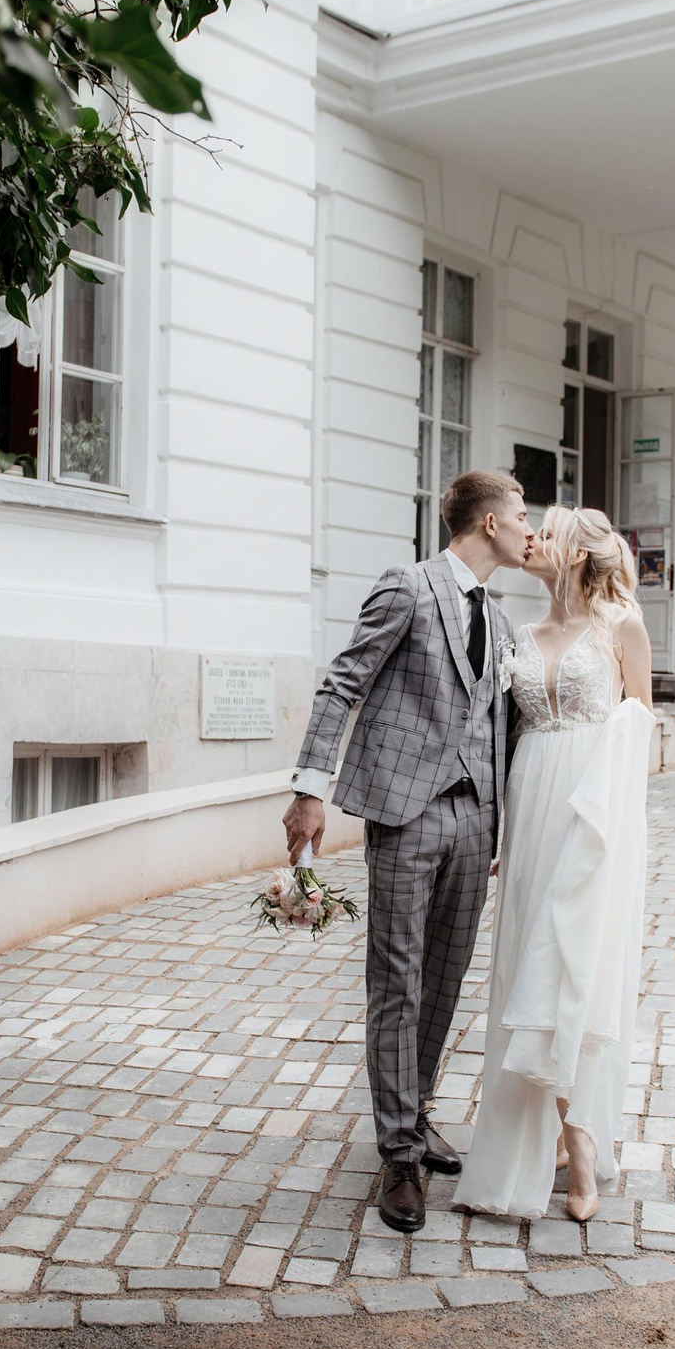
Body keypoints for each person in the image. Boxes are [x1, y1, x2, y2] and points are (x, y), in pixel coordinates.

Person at [283, 471, 533, 1234]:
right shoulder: (409, 587)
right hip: (406, 811)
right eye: (522, 516)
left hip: (475, 820)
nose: (530, 530)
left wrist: (504, 824)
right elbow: (342, 684)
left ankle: (414, 1110)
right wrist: (309, 788)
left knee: (445, 977)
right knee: (397, 979)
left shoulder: (501, 618)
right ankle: (397, 1152)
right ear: (488, 522)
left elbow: (501, 725)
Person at [451, 504, 654, 1223]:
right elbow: (500, 736)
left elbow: (641, 729)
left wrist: (614, 831)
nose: (531, 537)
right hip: (531, 806)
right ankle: (539, 1140)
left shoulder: (622, 625)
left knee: (573, 966)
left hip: (593, 815)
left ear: (574, 553)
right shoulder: (521, 634)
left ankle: (582, 1141)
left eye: (546, 531)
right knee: (527, 967)